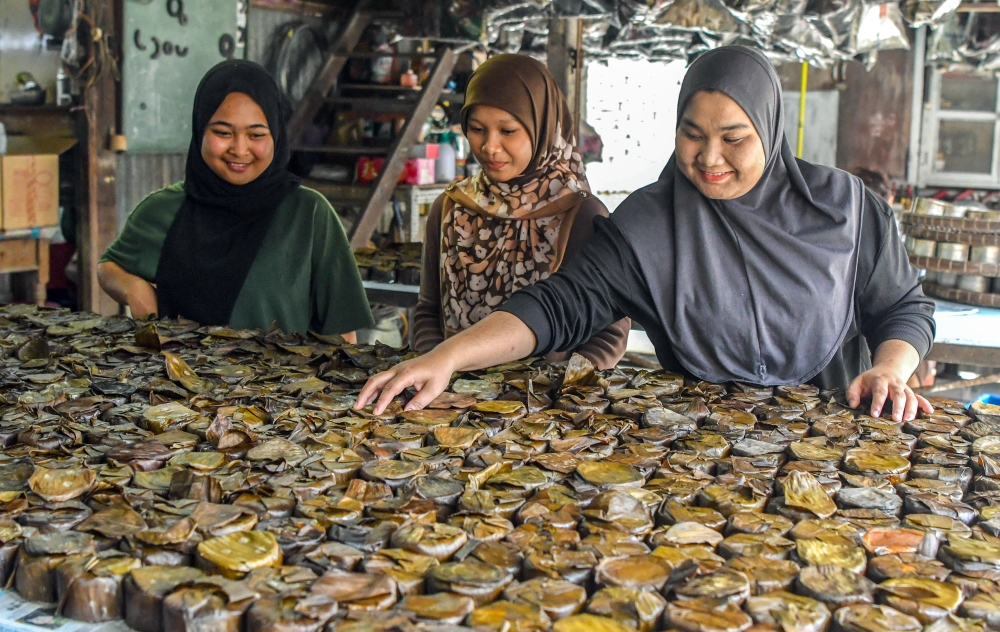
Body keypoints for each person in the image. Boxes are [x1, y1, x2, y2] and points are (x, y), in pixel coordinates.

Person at [358, 45, 937, 422]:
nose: (710, 158)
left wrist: (891, 369)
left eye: (734, 138)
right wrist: (447, 357)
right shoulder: (650, 223)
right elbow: (559, 305)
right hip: (696, 454)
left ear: (770, 129)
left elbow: (903, 307)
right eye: (692, 134)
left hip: (842, 448)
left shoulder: (845, 209)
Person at [98, 61, 373, 340]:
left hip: (282, 383)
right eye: (223, 133)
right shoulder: (162, 210)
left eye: (256, 135)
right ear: (199, 130)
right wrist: (133, 289)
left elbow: (343, 335)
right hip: (176, 380)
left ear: (275, 135)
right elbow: (109, 266)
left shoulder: (308, 214)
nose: (240, 149)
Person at [412, 54, 629, 368]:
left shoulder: (580, 215)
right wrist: (434, 367)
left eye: (508, 131)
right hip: (448, 394)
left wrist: (565, 390)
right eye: (476, 129)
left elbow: (609, 332)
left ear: (541, 126)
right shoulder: (451, 208)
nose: (489, 146)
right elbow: (428, 311)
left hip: (546, 404)